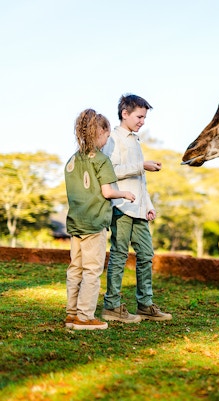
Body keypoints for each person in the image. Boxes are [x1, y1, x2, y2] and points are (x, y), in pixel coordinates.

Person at [101, 94, 172, 323]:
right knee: (119, 256)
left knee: (146, 255)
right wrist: (141, 165)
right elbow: (110, 170)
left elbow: (140, 181)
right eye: (139, 116)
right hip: (121, 206)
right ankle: (111, 305)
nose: (143, 121)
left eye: (144, 117)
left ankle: (145, 304)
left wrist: (148, 205)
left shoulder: (136, 140)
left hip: (139, 209)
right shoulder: (113, 138)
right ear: (125, 113)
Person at [65, 109, 136, 330]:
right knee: (92, 270)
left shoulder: (72, 160)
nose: (107, 141)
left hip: (76, 223)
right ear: (100, 132)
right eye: (107, 137)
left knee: (75, 268)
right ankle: (85, 317)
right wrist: (124, 194)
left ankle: (71, 314)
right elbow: (107, 192)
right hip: (94, 223)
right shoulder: (102, 160)